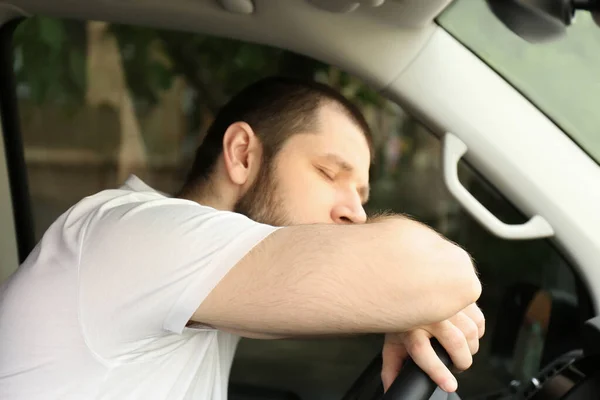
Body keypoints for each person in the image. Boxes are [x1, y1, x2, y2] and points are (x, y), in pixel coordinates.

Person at [0, 76, 484, 399]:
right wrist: (408, 294)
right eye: (328, 172)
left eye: (362, 195)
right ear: (242, 155)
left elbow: (410, 281)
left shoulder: (204, 285)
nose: (355, 214)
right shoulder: (136, 235)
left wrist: (400, 302)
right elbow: (440, 273)